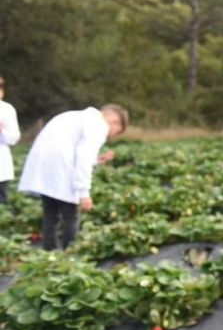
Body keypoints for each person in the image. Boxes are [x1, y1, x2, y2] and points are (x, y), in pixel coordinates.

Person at [18, 104, 128, 250]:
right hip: (61, 170)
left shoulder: (74, 116)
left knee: (50, 214)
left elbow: (75, 151)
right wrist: (84, 193)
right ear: (115, 121)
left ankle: (49, 253)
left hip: (45, 169)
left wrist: (98, 160)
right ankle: (70, 253)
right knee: (71, 216)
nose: (111, 135)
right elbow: (83, 158)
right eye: (116, 132)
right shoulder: (99, 125)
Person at [0, 76, 20, 204]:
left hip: (1, 168)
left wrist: (2, 130)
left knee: (2, 205)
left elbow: (13, 138)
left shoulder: (7, 109)